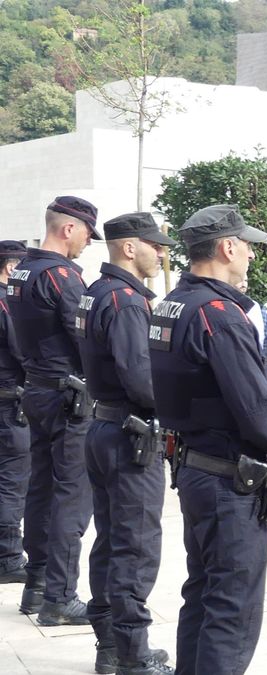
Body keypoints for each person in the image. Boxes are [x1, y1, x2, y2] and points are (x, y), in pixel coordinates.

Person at [148, 204, 267, 675]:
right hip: (229, 480)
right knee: (232, 608)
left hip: (197, 467)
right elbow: (257, 412)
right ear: (227, 247)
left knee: (204, 593)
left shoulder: (174, 302)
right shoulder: (220, 314)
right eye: (247, 246)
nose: (251, 255)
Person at [75, 213, 176, 675]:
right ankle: (133, 655)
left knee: (112, 540)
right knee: (134, 547)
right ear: (130, 248)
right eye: (155, 246)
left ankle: (111, 643)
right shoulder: (126, 300)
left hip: (104, 427)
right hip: (129, 435)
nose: (162, 254)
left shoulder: (96, 291)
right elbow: (142, 381)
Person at [8, 196, 100, 624]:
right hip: (68, 398)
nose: (87, 243)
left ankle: (38, 584)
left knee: (40, 490)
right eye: (85, 233)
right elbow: (86, 340)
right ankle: (60, 597)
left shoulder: (22, 270)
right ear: (68, 229)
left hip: (37, 390)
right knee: (71, 497)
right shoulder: (63, 277)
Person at [0, 241, 29, 586]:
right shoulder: (7, 304)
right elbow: (24, 354)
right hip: (9, 403)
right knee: (11, 483)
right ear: (10, 269)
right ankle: (8, 557)